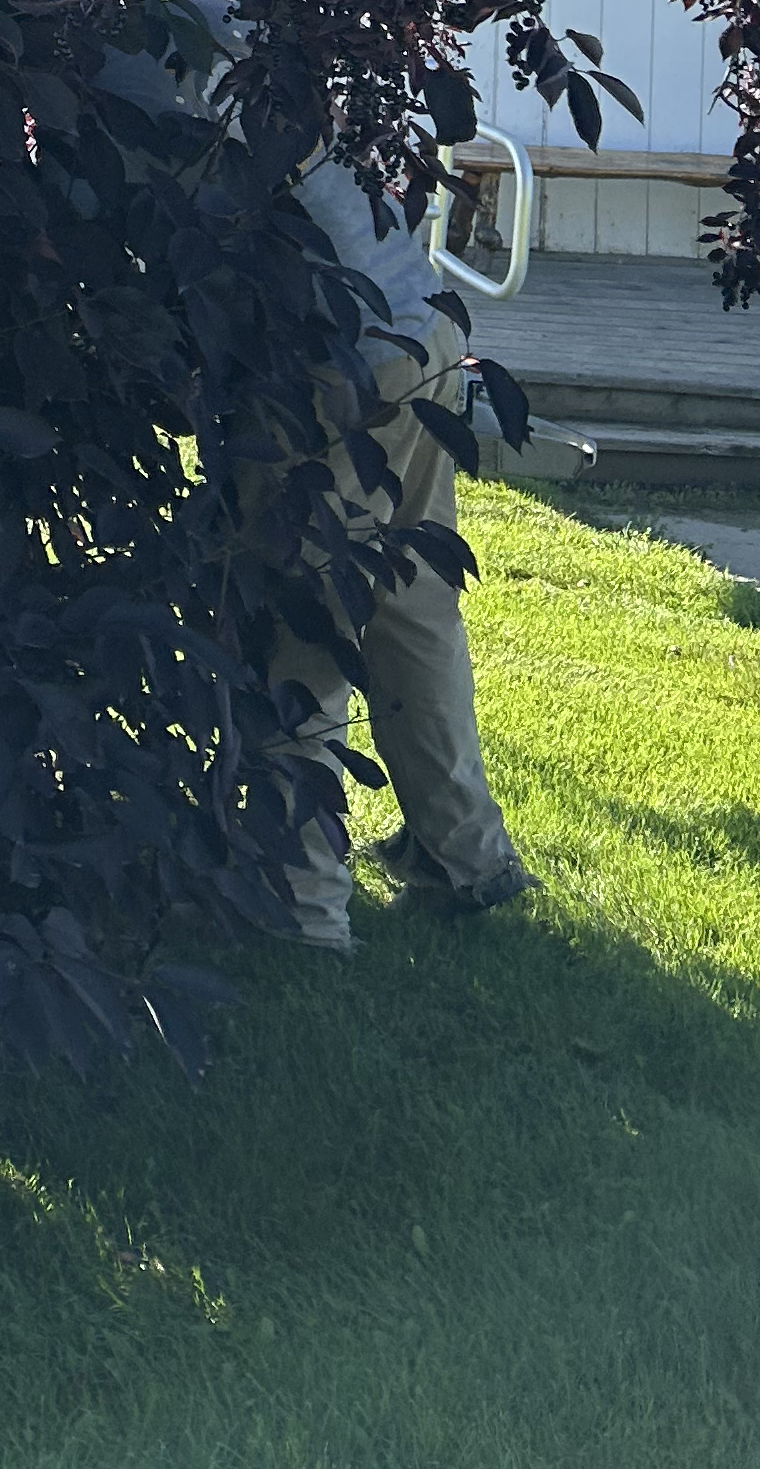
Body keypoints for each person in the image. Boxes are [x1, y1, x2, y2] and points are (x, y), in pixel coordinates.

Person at [268, 146, 536, 953]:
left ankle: (304, 908)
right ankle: (470, 861)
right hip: (425, 331)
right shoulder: (244, 38)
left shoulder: (118, 67)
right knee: (414, 608)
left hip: (326, 367)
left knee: (305, 621)